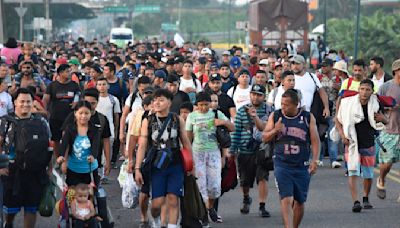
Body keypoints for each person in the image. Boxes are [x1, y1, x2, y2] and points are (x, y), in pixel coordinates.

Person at [135, 89, 193, 228]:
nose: (157, 103)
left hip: (175, 163)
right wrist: (137, 168)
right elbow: (142, 146)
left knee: (173, 199)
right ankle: (155, 219)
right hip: (156, 165)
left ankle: (172, 225)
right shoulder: (147, 121)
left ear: (169, 102)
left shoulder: (176, 119)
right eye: (155, 100)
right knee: (157, 203)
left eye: (161, 100)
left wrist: (192, 165)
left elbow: (185, 142)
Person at [263, 89, 320, 228]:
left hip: (301, 164)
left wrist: (315, 160)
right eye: (282, 104)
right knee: (286, 198)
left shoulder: (307, 117)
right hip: (282, 163)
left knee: (300, 201)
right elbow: (264, 137)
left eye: (287, 105)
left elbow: (315, 141)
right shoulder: (275, 116)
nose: (283, 107)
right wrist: (275, 130)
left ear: (296, 104)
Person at [0, 88, 52, 228]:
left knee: (31, 208)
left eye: (28, 101)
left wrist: (50, 168)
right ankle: (8, 223)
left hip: (35, 173)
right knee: (10, 208)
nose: (25, 104)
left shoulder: (41, 122)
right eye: (22, 101)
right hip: (11, 172)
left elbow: (49, 146)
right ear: (15, 102)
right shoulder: (5, 122)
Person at [336, 79, 387, 212]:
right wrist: (342, 136)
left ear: (372, 91)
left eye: (367, 90)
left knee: (368, 174)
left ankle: (365, 197)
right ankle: (356, 201)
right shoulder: (348, 103)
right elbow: (338, 120)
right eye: (362, 89)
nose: (364, 92)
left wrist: (383, 119)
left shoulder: (376, 104)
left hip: (369, 142)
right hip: (351, 142)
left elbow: (385, 120)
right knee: (352, 171)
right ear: (358, 89)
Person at [186, 92, 234, 223]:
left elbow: (232, 128)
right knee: (200, 186)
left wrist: (222, 122)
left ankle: (210, 207)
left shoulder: (216, 114)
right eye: (200, 105)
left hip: (213, 153)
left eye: (206, 105)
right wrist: (188, 160)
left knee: (214, 187)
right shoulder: (191, 116)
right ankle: (203, 216)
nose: (203, 108)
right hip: (197, 154)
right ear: (196, 105)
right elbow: (188, 139)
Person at [230, 84, 272, 218]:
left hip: (263, 150)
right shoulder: (242, 110)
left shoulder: (270, 111)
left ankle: (262, 205)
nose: (256, 97)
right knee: (245, 180)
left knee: (263, 178)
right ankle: (246, 198)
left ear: (264, 96)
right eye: (253, 94)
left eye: (259, 95)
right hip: (245, 150)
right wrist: (232, 150)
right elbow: (236, 131)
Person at [56, 101, 101, 187]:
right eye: (80, 113)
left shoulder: (95, 130)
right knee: (72, 196)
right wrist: (61, 156)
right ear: (75, 113)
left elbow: (96, 146)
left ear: (90, 114)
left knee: (89, 197)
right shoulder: (70, 128)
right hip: (73, 169)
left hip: (90, 169)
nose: (83, 116)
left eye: (86, 113)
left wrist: (93, 156)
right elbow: (64, 144)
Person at [43, 64, 80, 157]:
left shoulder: (74, 85)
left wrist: (77, 103)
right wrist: (45, 111)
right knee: (56, 139)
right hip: (55, 117)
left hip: (70, 117)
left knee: (69, 138)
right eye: (67, 71)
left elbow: (79, 96)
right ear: (60, 73)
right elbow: (46, 99)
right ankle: (57, 158)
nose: (70, 73)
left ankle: (68, 157)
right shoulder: (52, 85)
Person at [376, 59, 400, 200]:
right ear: (396, 71)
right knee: (387, 163)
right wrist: (384, 110)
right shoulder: (386, 87)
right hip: (389, 129)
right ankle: (381, 179)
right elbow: (376, 104)